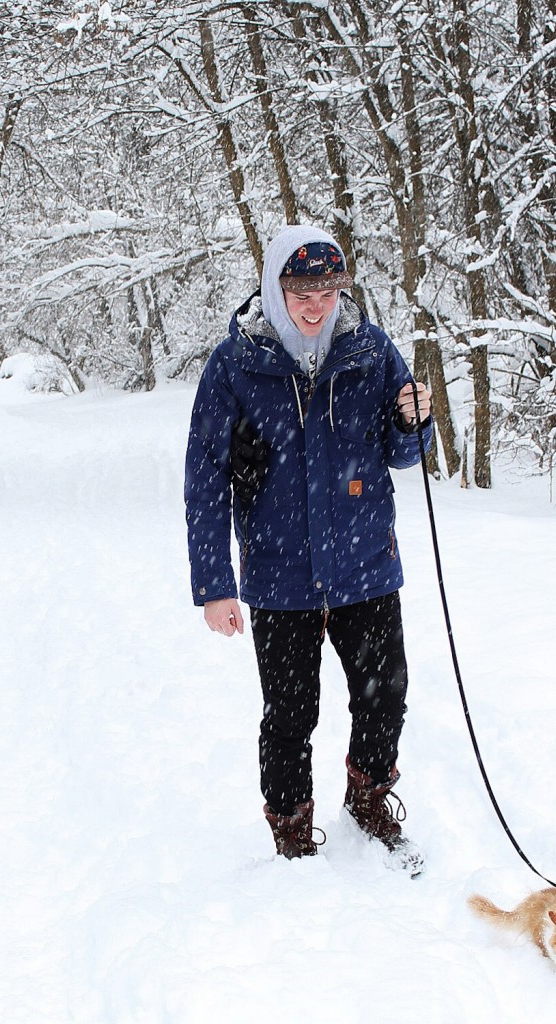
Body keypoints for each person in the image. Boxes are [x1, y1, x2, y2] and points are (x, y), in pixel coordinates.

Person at [184, 224, 432, 874]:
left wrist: (413, 420)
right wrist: (214, 584)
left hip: (364, 566)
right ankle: (292, 833)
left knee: (386, 694)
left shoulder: (370, 351)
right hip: (279, 572)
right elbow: (204, 477)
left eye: (327, 287)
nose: (316, 303)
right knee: (291, 715)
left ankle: (369, 797)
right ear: (275, 286)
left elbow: (406, 453)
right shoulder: (236, 363)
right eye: (300, 288)